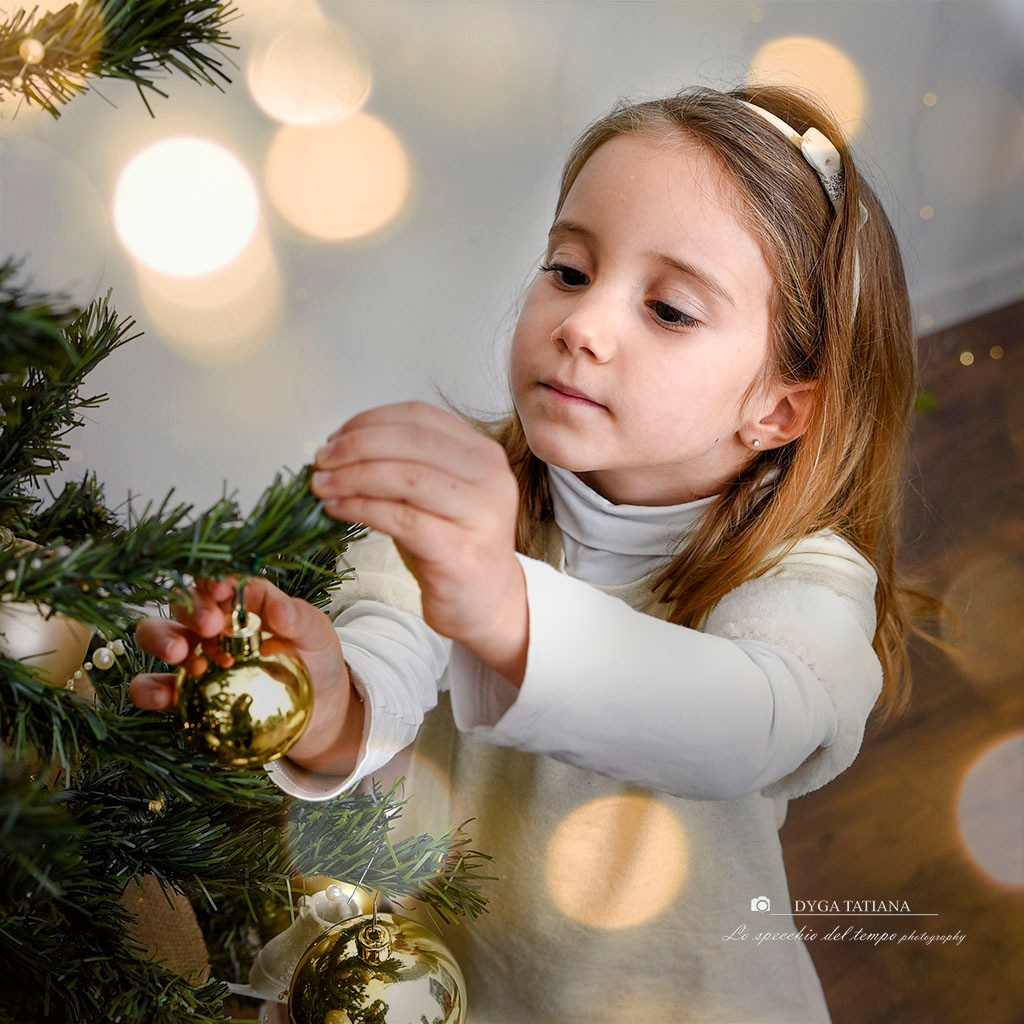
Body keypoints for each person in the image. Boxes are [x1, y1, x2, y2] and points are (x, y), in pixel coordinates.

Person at [131, 85, 922, 1023]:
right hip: (437, 971)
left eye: (668, 309)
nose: (581, 326)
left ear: (779, 408)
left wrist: (503, 610)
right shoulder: (464, 505)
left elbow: (750, 725)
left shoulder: (807, 579)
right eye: (570, 270)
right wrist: (319, 695)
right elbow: (383, 678)